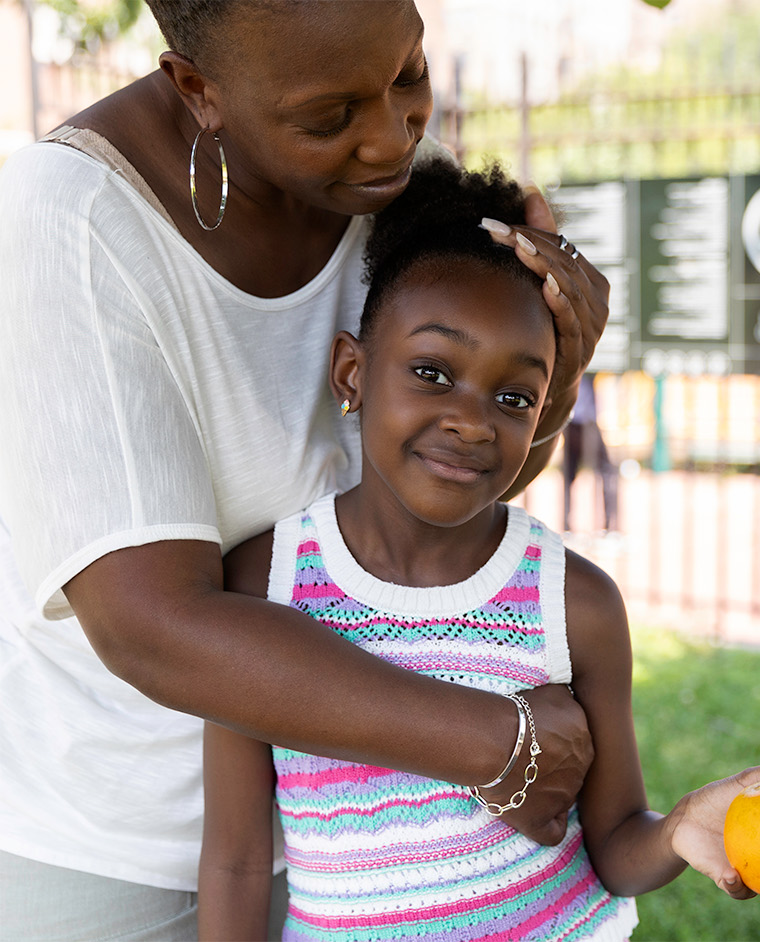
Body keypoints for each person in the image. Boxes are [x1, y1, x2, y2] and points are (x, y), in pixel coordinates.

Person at [0, 2, 623, 936]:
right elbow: (150, 626)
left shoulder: (390, 188)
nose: (391, 138)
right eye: (330, 118)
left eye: (408, 74)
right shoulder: (71, 223)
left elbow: (440, 504)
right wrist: (493, 741)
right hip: (136, 858)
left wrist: (556, 370)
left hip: (380, 848)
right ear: (197, 89)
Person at [198, 159, 760, 940]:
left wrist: (677, 830)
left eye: (513, 397)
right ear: (353, 372)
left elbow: (613, 846)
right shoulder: (262, 584)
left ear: (546, 413)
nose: (473, 422)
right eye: (432, 372)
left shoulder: (574, 603)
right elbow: (236, 860)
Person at [562, 373, 621, 535]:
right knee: (605, 472)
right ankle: (608, 526)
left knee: (569, 475)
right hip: (581, 422)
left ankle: (568, 525)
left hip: (575, 422)